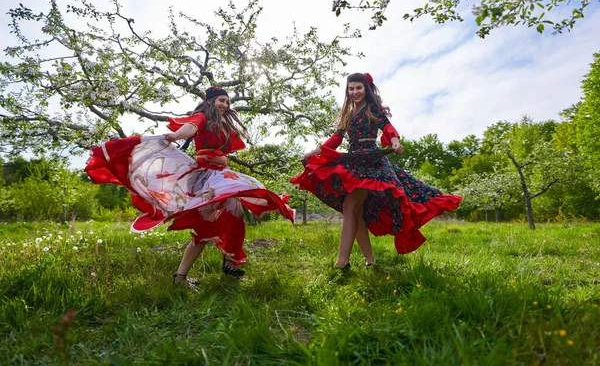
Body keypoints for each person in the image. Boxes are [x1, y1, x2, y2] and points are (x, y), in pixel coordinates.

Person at [85, 86, 295, 287]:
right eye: (222, 100)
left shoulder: (223, 124)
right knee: (204, 231)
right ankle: (180, 276)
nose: (225, 104)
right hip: (205, 178)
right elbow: (191, 126)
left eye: (227, 101)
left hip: (221, 178)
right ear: (211, 101)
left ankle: (230, 265)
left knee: (234, 216)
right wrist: (176, 136)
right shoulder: (203, 117)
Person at [290, 73, 461, 269]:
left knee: (350, 207)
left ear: (366, 89)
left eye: (358, 88)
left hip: (371, 162)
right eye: (351, 88)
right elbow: (336, 139)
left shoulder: (373, 109)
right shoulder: (347, 113)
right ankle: (370, 261)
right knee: (356, 211)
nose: (355, 92)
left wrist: (395, 142)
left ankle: (342, 262)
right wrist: (314, 152)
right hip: (353, 160)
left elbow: (387, 127)